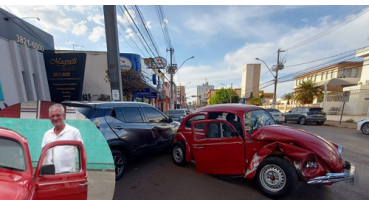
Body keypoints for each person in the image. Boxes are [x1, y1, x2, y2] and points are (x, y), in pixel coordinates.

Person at [41, 103, 83, 173]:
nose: (55, 118)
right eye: (52, 116)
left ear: (64, 115)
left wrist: (83, 170)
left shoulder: (73, 132)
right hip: (49, 175)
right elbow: (44, 155)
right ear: (49, 118)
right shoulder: (47, 134)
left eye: (58, 115)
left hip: (67, 175)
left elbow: (82, 151)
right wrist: (40, 171)